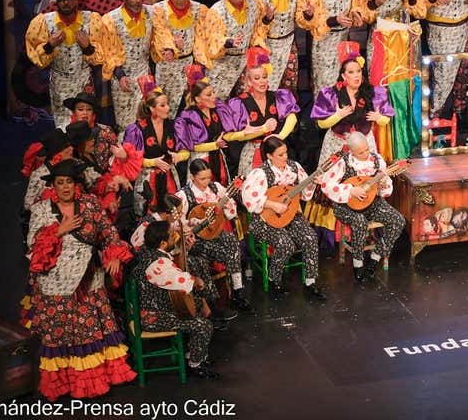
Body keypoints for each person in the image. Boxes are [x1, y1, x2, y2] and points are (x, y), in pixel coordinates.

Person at [23, 158, 135, 401]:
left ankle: (90, 383)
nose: (65, 187)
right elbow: (32, 247)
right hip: (55, 283)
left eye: (69, 182)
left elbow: (108, 233)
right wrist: (58, 231)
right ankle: (63, 384)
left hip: (87, 280)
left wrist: (114, 253)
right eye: (60, 182)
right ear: (53, 185)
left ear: (76, 185)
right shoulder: (42, 210)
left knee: (88, 332)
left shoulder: (90, 205)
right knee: (60, 333)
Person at [239, 136, 326, 300]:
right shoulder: (260, 173)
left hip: (290, 215)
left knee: (310, 237)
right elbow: (248, 200)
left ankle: (310, 282)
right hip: (265, 219)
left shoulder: (294, 168)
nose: (285, 157)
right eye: (280, 154)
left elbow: (306, 195)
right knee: (285, 244)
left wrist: (313, 182)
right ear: (269, 156)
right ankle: (274, 279)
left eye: (286, 153)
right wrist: (272, 204)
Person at [133, 220, 220, 379]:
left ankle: (193, 352)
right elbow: (181, 279)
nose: (176, 237)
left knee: (198, 304)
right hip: (154, 317)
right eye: (173, 235)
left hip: (159, 306)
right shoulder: (157, 264)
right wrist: (197, 281)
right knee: (204, 326)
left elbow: (173, 261)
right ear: (163, 243)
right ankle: (196, 364)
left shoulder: (150, 252)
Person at [319, 131, 407, 281]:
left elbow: (385, 191)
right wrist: (351, 190)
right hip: (346, 206)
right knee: (359, 221)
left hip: (371, 203)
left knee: (398, 220)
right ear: (351, 151)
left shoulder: (377, 160)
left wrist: (383, 184)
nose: (366, 153)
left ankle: (375, 258)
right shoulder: (343, 162)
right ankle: (358, 264)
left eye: (367, 149)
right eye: (361, 152)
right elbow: (326, 185)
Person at [24, 0, 103, 127]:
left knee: (85, 125)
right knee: (63, 127)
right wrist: (50, 45)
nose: (65, 2)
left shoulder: (91, 20)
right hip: (59, 84)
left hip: (84, 82)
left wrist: (87, 47)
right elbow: (37, 59)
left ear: (77, 0)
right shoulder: (44, 22)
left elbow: (99, 57)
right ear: (57, 1)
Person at [177, 159, 251, 310]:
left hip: (215, 232)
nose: (206, 182)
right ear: (192, 176)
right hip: (196, 238)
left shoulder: (216, 188)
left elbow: (230, 213)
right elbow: (177, 222)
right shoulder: (184, 195)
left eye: (208, 177)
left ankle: (237, 290)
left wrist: (225, 205)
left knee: (231, 240)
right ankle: (226, 295)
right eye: (202, 179)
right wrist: (193, 223)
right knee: (231, 254)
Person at [311, 44, 393, 166]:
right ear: (344, 75)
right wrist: (337, 116)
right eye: (351, 72)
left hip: (364, 144)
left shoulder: (373, 93)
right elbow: (321, 124)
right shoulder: (331, 94)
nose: (356, 75)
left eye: (358, 71)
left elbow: (386, 118)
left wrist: (378, 118)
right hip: (337, 144)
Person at [223, 48, 299, 177]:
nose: (262, 81)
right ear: (249, 81)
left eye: (264, 77)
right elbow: (228, 135)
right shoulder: (239, 103)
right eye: (257, 78)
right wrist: (260, 130)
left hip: (275, 151)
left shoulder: (277, 96)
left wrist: (279, 137)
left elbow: (292, 116)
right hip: (253, 153)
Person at [123, 79, 191, 218]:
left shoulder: (174, 125)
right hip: (148, 179)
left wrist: (179, 156)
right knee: (148, 215)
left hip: (169, 177)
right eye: (163, 105)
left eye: (167, 104)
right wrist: (153, 162)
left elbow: (186, 151)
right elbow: (131, 161)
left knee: (173, 214)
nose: (168, 108)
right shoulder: (137, 129)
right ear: (151, 108)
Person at [96, 0, 156, 132]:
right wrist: (120, 75)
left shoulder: (152, 12)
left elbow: (161, 34)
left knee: (147, 119)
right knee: (127, 123)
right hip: (123, 77)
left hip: (144, 75)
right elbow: (109, 52)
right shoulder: (111, 19)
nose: (137, 1)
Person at [196, 0, 266, 101]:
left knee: (247, 99)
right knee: (218, 100)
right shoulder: (217, 11)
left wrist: (258, 43)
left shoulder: (252, 4)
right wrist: (227, 41)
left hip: (244, 60)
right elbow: (212, 38)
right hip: (223, 63)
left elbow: (257, 26)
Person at [299, 0, 361, 92]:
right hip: (324, 41)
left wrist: (356, 14)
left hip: (344, 39)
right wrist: (333, 20)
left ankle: (343, 112)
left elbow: (355, 5)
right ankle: (325, 113)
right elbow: (311, 22)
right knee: (324, 82)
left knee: (345, 80)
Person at [250, 0, 305, 92]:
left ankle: (288, 112)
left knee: (290, 82)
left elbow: (301, 17)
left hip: (289, 42)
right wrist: (267, 19)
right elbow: (253, 24)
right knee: (267, 82)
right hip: (267, 44)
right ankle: (270, 112)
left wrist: (308, 15)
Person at [150, 0, 206, 105]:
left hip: (188, 63)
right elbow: (160, 31)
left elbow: (202, 35)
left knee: (188, 101)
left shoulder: (198, 9)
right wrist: (170, 46)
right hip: (167, 66)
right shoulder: (159, 9)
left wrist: (200, 61)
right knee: (165, 103)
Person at [175, 66, 233, 187]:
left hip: (218, 156)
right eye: (208, 95)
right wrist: (214, 145)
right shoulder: (189, 116)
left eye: (213, 93)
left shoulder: (217, 109)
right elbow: (192, 146)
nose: (213, 97)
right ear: (197, 98)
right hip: (201, 160)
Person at [23, 126, 101, 212]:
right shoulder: (39, 174)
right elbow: (28, 205)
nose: (71, 149)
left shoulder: (77, 163)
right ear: (56, 152)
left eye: (70, 145)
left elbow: (96, 180)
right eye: (67, 147)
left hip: (83, 211)